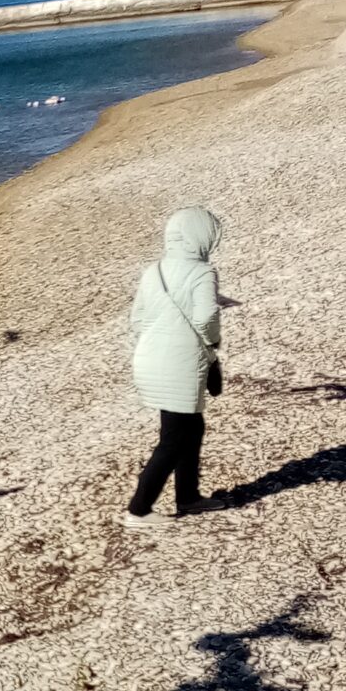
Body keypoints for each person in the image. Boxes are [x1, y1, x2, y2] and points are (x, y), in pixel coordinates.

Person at [124, 207, 223, 526]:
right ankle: (139, 510)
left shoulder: (154, 270)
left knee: (191, 428)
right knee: (173, 438)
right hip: (180, 362)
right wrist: (212, 343)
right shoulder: (202, 273)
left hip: (149, 358)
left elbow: (137, 319)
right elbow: (206, 318)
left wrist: (159, 341)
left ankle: (189, 497)